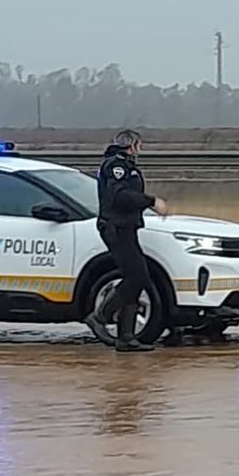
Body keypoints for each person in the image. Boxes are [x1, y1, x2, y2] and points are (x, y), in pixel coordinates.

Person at [83, 129, 168, 351]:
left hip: (127, 227)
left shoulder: (127, 165)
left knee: (135, 279)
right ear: (132, 145)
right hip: (116, 228)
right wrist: (150, 201)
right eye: (140, 144)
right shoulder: (116, 166)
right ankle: (100, 316)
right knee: (137, 277)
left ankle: (126, 336)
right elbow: (119, 196)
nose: (141, 149)